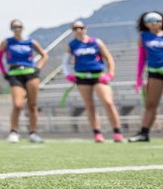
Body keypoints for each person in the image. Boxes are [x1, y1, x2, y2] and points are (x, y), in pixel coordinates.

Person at [66, 21, 121, 142]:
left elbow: (108, 58)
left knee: (108, 102)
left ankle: (117, 131)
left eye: (81, 27)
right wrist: (68, 75)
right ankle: (97, 133)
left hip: (98, 76)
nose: (78, 30)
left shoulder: (96, 42)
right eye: (75, 28)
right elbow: (65, 62)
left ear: (85, 28)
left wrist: (110, 74)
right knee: (89, 106)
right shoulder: (72, 45)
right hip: (82, 78)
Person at [0, 19, 47, 143]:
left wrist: (38, 68)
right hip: (15, 74)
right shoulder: (7, 42)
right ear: (11, 28)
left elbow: (44, 55)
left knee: (32, 105)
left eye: (19, 26)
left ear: (23, 28)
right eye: (14, 26)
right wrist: (4, 72)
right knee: (18, 104)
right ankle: (14, 131)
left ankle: (33, 132)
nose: (17, 28)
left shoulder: (30, 42)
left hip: (31, 74)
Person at [129, 11, 163, 142]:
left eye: (156, 20)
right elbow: (141, 58)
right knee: (150, 104)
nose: (153, 23)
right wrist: (139, 78)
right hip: (154, 73)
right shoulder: (143, 37)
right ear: (145, 23)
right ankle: (144, 133)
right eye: (150, 21)